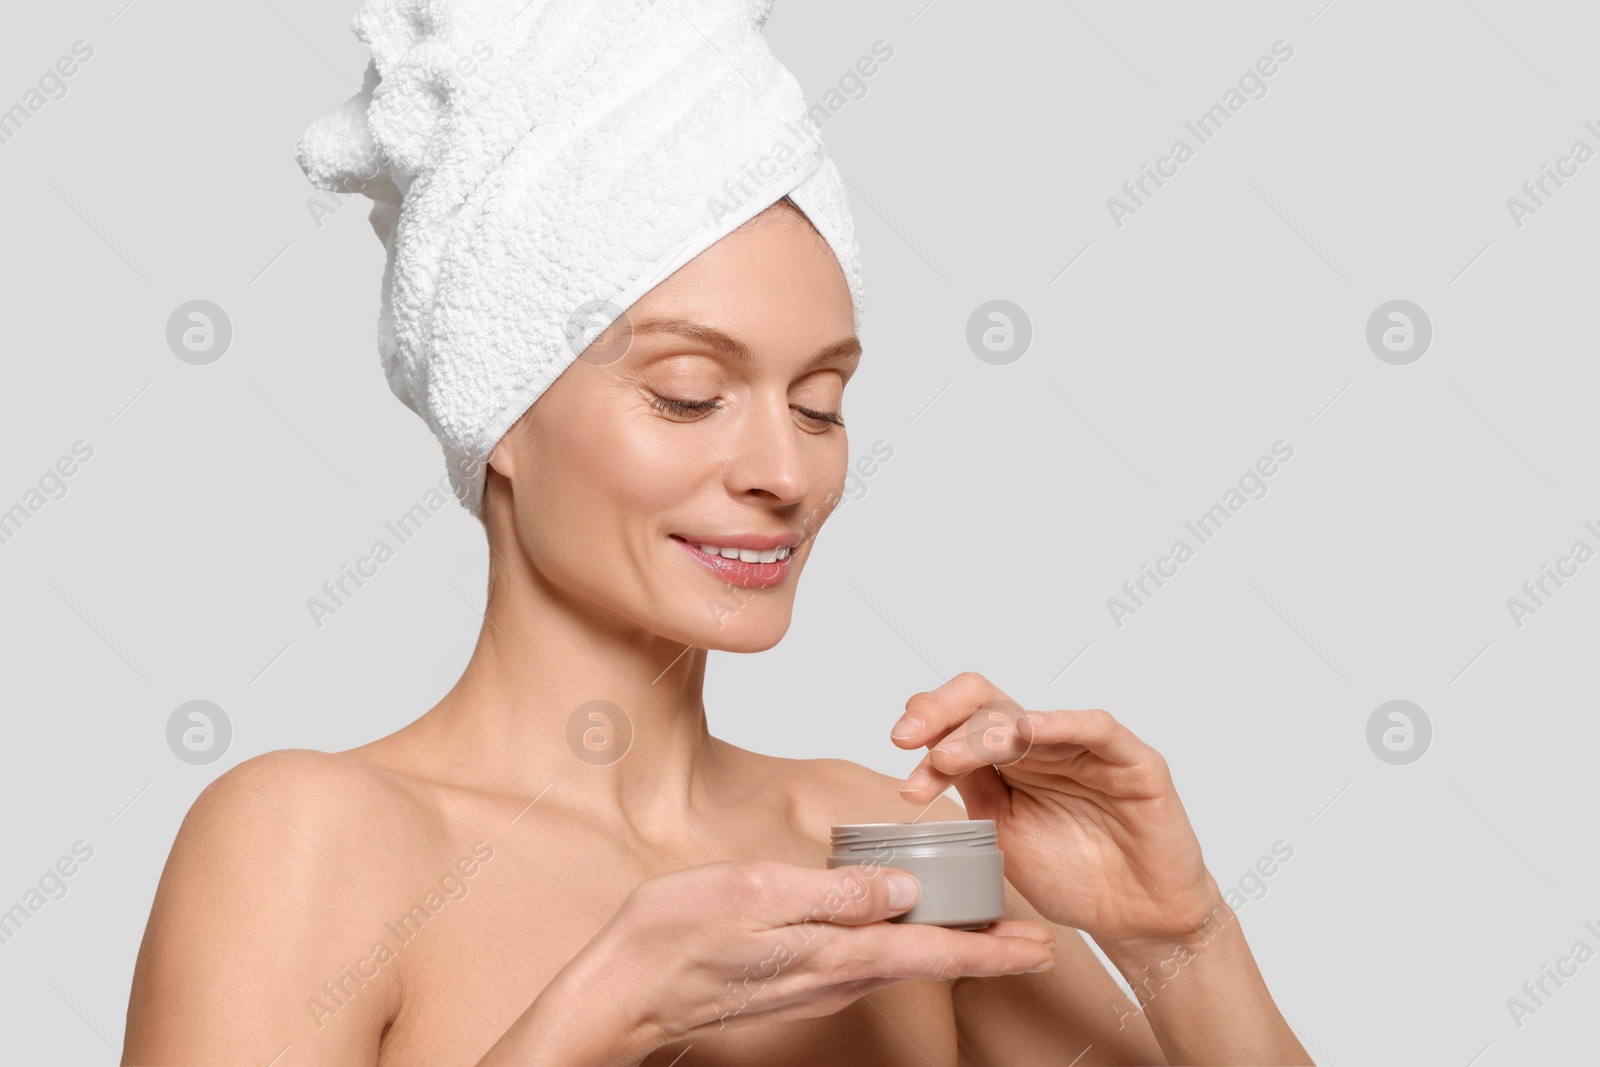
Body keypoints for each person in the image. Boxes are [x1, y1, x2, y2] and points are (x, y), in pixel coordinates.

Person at [125, 1, 1311, 1061]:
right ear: (500, 414)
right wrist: (595, 1015)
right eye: (689, 394)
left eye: (819, 405)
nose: (783, 472)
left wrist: (1178, 931)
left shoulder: (890, 854)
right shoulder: (313, 840)